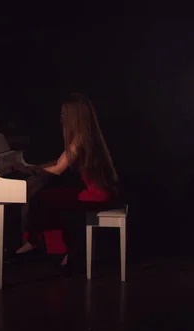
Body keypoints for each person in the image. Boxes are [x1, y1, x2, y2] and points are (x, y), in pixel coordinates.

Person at [14, 93, 120, 268]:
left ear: (74, 116)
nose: (61, 117)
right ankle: (57, 249)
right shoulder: (83, 136)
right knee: (47, 198)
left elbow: (58, 169)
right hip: (98, 191)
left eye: (64, 113)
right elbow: (58, 162)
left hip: (98, 195)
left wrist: (30, 169)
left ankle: (44, 244)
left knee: (44, 200)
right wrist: (31, 167)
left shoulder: (80, 140)